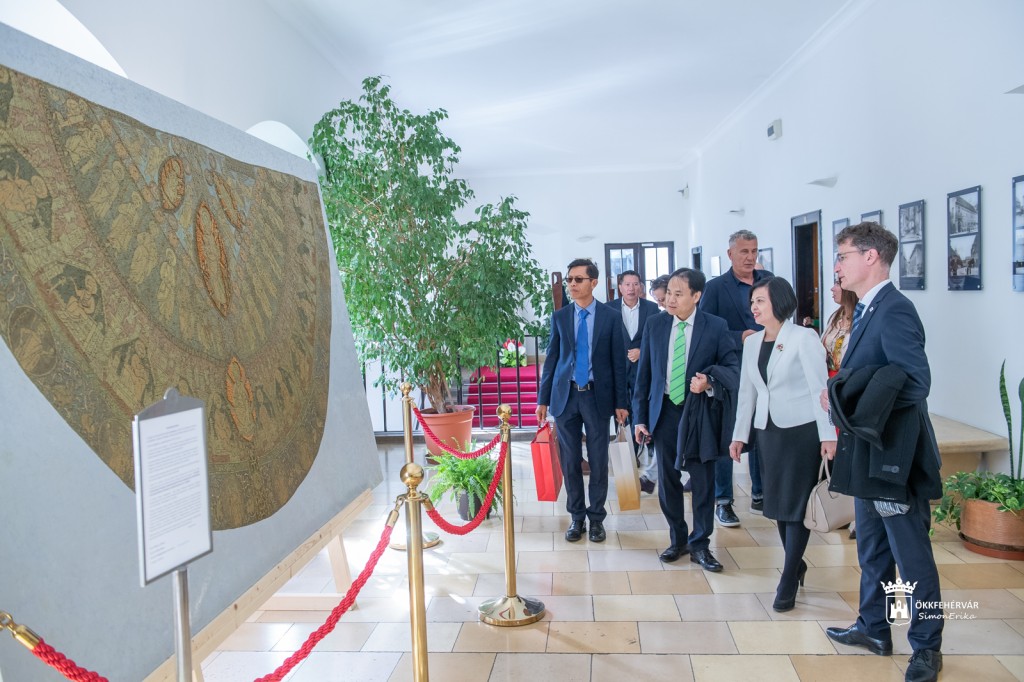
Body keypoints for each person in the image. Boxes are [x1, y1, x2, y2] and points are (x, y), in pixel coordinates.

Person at [824, 222, 943, 682]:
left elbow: (915, 382)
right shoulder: (868, 308)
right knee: (873, 548)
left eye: (843, 256)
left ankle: (927, 646)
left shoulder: (895, 309)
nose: (837, 266)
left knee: (911, 557)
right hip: (868, 456)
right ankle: (873, 627)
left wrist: (847, 396)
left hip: (894, 457)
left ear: (870, 257)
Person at [728, 277, 836, 611]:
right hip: (769, 432)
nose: (754, 307)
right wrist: (739, 435)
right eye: (752, 302)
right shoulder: (752, 342)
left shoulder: (803, 338)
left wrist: (828, 434)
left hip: (801, 432)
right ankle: (796, 563)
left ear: (780, 302)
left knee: (796, 507)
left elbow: (821, 390)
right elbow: (747, 393)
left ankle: (788, 578)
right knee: (776, 505)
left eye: (760, 300)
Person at [634, 268, 738, 572]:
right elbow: (645, 375)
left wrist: (708, 381)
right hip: (665, 411)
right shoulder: (655, 324)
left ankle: (700, 544)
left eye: (678, 294)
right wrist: (640, 417)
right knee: (667, 480)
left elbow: (732, 369)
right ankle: (677, 539)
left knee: (702, 480)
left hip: (699, 412)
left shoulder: (715, 326)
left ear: (696, 296)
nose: (670, 299)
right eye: (669, 292)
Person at [537, 258, 629, 544]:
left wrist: (622, 402)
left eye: (578, 279)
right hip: (565, 397)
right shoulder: (561, 317)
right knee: (570, 461)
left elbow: (618, 363)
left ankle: (597, 518)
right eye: (570, 280)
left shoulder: (610, 317)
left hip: (597, 396)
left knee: (599, 460)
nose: (572, 284)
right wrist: (542, 399)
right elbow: (552, 360)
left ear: (594, 282)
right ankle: (577, 517)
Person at [699, 229, 772, 527]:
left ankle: (761, 493)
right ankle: (723, 500)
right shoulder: (716, 288)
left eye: (754, 251)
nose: (750, 257)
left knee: (761, 429)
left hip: (765, 367)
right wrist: (739, 336)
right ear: (730, 254)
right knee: (729, 433)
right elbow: (705, 330)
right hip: (731, 369)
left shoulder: (768, 281)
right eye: (744, 251)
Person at [606, 270, 660, 459]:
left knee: (642, 406)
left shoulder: (651, 308)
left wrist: (642, 351)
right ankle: (627, 454)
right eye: (627, 284)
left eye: (635, 284)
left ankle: (646, 445)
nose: (631, 288)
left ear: (641, 287)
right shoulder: (609, 308)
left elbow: (657, 339)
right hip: (618, 368)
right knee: (620, 409)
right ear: (620, 288)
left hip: (642, 368)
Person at [637, 274, 670, 494]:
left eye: (663, 299)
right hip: (662, 395)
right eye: (658, 301)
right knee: (663, 441)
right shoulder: (657, 323)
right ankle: (650, 476)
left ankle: (650, 476)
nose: (662, 305)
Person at [821, 280, 859, 378]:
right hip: (826, 379)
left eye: (838, 283)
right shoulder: (835, 316)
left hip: (846, 380)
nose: (832, 289)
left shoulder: (861, 319)